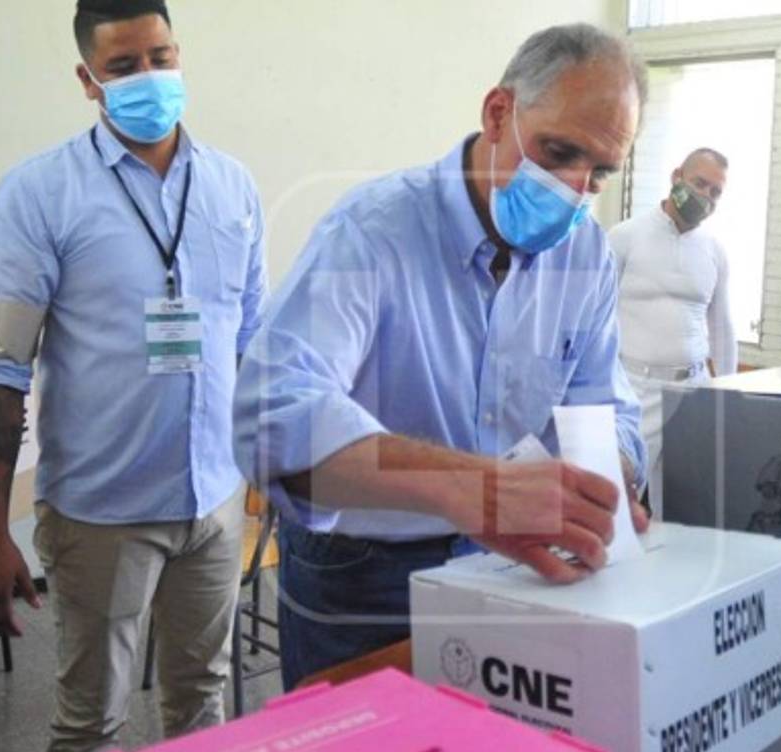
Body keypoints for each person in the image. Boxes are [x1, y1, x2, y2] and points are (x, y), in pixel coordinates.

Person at [233, 23, 648, 690]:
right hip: (363, 573)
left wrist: (610, 475)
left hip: (515, 565)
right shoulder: (372, 233)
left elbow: (604, 399)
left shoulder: (586, 256)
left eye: (599, 172)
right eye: (558, 152)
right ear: (498, 112)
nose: (574, 189)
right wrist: (475, 490)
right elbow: (273, 419)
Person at [0, 1, 266, 752]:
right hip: (103, 510)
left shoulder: (232, 187)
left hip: (215, 499)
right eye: (125, 66)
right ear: (88, 78)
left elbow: (254, 341)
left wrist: (273, 465)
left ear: (179, 53)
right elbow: (0, 369)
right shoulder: (39, 193)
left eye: (161, 58)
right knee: (92, 722)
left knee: (203, 703)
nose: (149, 78)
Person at [607, 148, 736, 519]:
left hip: (694, 388)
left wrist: (726, 394)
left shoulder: (714, 251)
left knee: (692, 504)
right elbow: (595, 317)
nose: (705, 197)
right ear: (676, 176)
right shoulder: (625, 237)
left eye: (715, 192)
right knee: (618, 496)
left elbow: (722, 326)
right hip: (635, 388)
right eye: (699, 184)